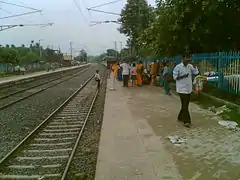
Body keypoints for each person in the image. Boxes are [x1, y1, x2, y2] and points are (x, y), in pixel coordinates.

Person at [173, 56, 199, 127]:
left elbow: (196, 73)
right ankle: (187, 121)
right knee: (185, 104)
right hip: (181, 89)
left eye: (188, 59)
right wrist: (183, 76)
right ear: (183, 59)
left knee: (185, 105)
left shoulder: (190, 66)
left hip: (188, 88)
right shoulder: (178, 67)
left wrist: (194, 66)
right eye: (186, 58)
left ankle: (180, 117)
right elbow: (175, 77)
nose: (187, 60)